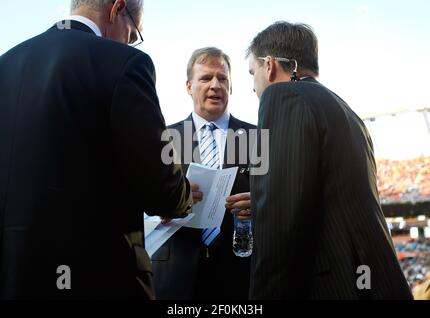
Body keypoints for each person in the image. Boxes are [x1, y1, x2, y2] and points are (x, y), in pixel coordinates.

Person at [0, 0, 192, 299]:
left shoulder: (6, 63)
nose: (130, 43)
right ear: (117, 9)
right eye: (132, 34)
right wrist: (184, 194)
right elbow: (163, 190)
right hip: (100, 278)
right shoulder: (126, 62)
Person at [244, 21, 413, 299]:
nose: (253, 86)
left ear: (270, 65)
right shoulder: (344, 109)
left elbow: (281, 231)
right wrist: (264, 199)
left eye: (253, 73)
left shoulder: (283, 95)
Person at [151, 47, 256, 300]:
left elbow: (278, 198)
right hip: (175, 273)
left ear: (231, 87)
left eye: (222, 78)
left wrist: (261, 203)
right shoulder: (163, 137)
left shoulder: (255, 137)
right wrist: (163, 203)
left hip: (240, 274)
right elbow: (140, 202)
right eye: (206, 78)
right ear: (189, 86)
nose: (215, 85)